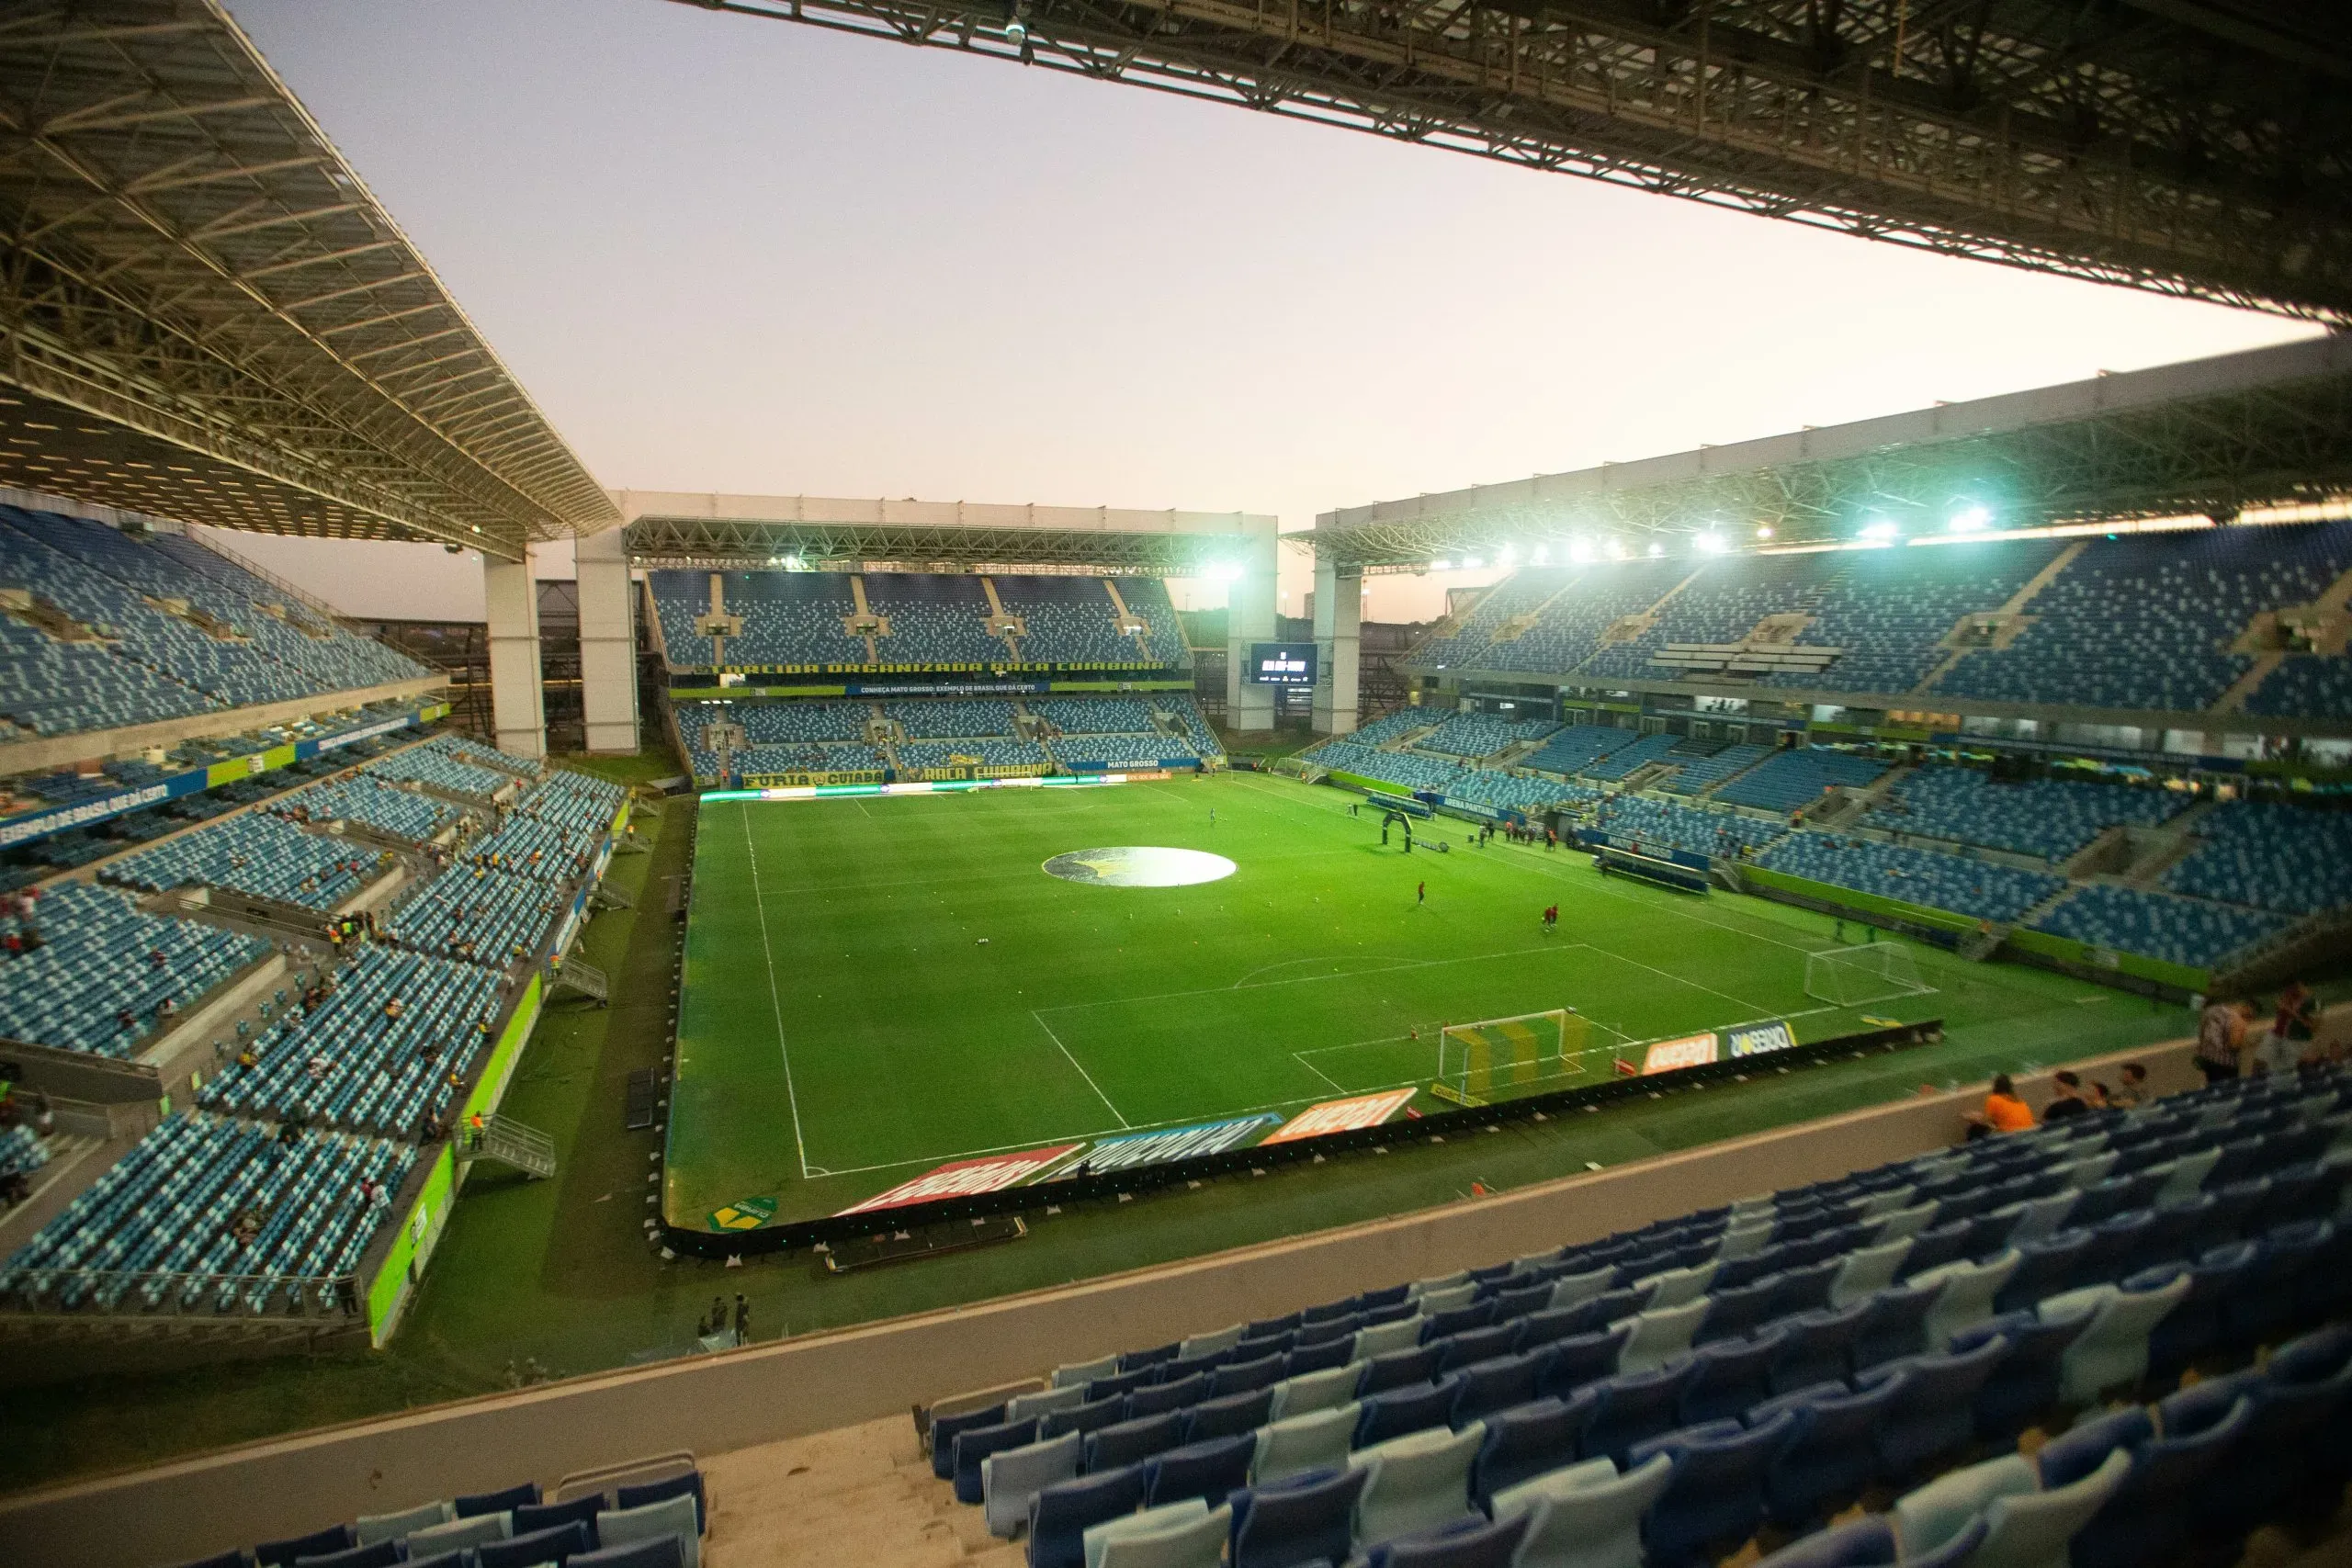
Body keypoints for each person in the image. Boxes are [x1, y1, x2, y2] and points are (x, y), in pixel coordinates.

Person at [2195, 996, 2250, 1084]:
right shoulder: (2237, 1019)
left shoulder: (2209, 1011)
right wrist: (2247, 1044)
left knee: (2213, 1088)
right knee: (2228, 1092)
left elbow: (2201, 1034)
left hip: (2209, 1059)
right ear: (2243, 1006)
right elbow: (2234, 1045)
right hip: (2227, 1063)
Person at [1965, 1073, 2034, 1138]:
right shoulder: (2018, 1100)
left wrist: (1972, 1117)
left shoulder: (1994, 1099)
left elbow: (1985, 1121)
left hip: (2011, 1136)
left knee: (1975, 1128)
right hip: (2029, 1134)